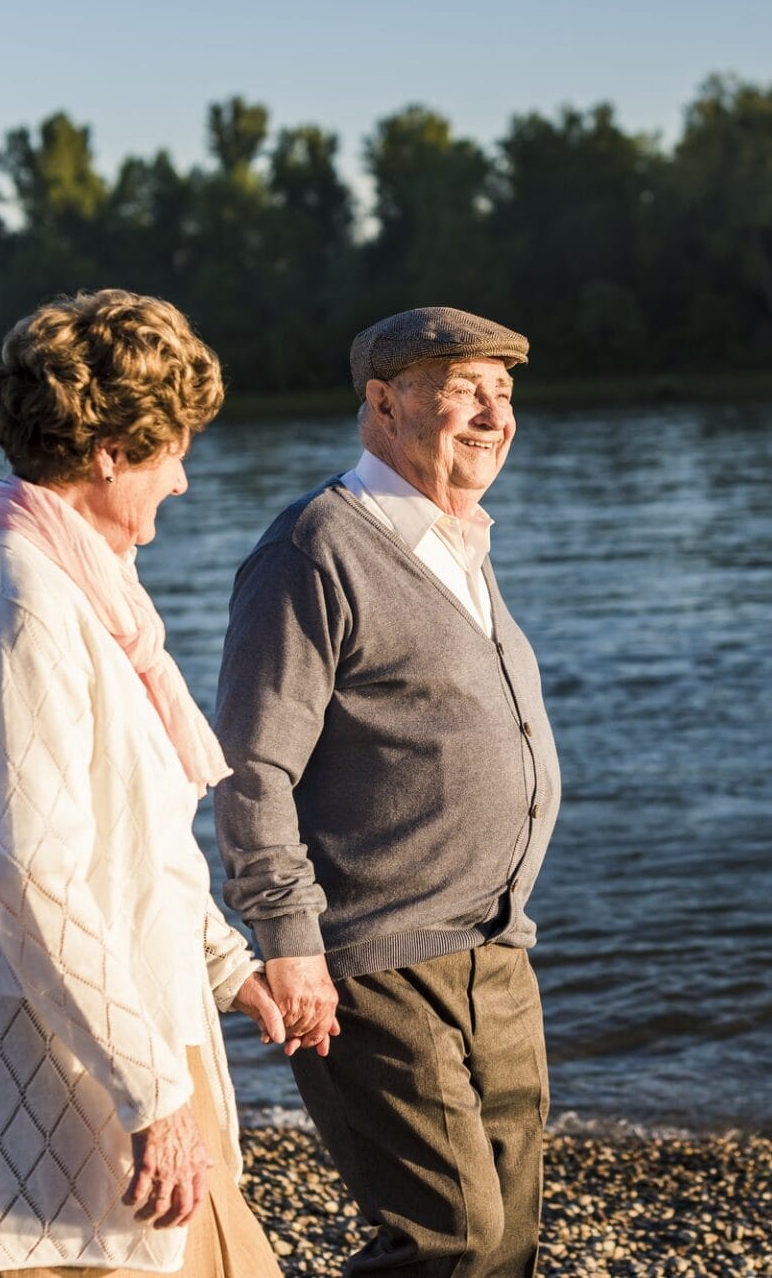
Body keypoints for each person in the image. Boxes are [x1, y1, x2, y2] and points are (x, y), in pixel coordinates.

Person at [0, 289, 289, 1277]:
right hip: (52, 1070)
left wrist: (225, 968)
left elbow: (132, 836)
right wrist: (152, 1095)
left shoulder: (81, 592)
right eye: (172, 450)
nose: (182, 479)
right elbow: (31, 872)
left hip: (129, 1033)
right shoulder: (17, 606)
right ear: (109, 451)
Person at [212, 306, 563, 1278]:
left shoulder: (460, 545)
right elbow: (252, 766)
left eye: (504, 392)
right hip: (373, 961)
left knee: (509, 1243)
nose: (494, 414)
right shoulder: (314, 549)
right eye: (465, 390)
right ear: (383, 402)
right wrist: (290, 942)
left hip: (496, 949)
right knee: (449, 1239)